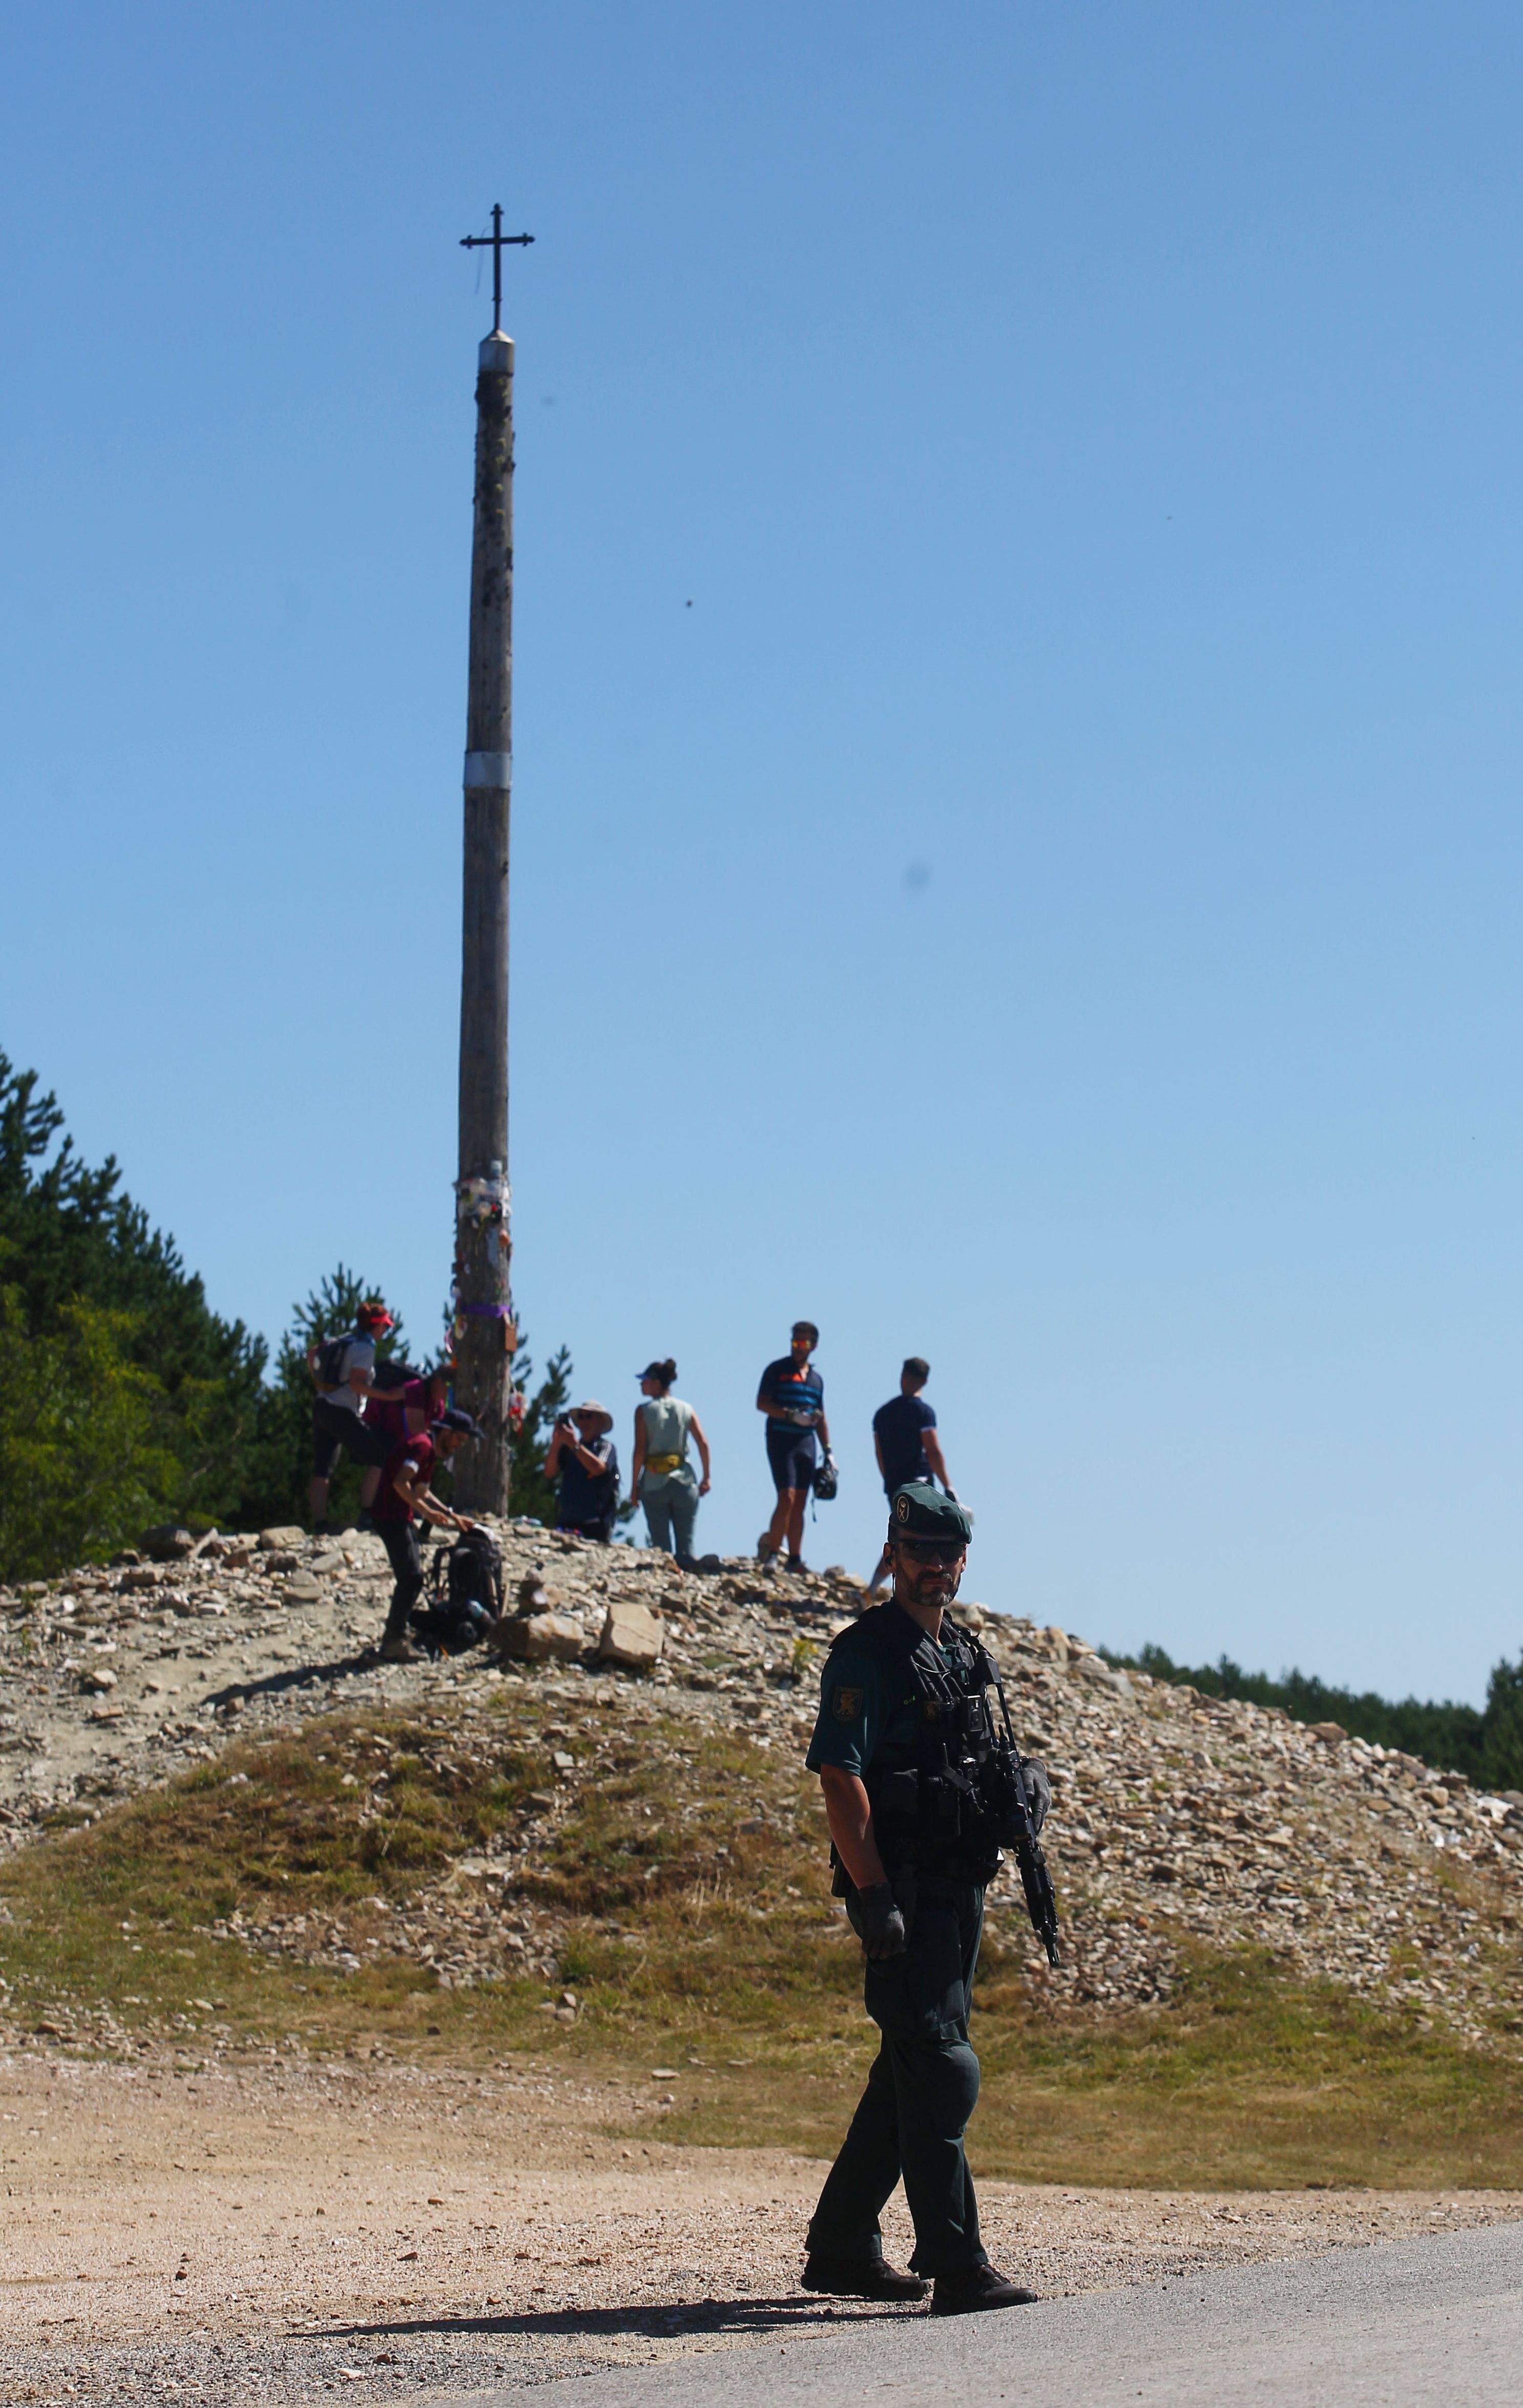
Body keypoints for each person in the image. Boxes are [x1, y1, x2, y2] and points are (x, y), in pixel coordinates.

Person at [801, 1482, 1052, 2315]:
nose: (932, 1569)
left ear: (961, 1561)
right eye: (918, 1553)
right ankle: (955, 2262)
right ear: (893, 1551)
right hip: (902, 1887)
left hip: (954, 1886)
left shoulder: (957, 1653)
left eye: (945, 1556)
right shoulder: (865, 1655)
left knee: (909, 2067)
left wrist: (1022, 1790)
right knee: (940, 2065)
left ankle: (841, 2247)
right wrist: (872, 1897)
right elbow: (840, 1776)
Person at [368, 1406, 482, 1662]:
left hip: (398, 1517)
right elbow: (401, 1483)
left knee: (412, 1578)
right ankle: (394, 1641)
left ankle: (396, 1636)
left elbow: (422, 1491)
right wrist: (427, 1514)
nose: (459, 1446)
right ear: (448, 1432)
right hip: (390, 1516)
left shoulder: (427, 1450)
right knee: (411, 1579)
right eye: (459, 1439)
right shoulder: (422, 1447)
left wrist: (451, 1515)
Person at [307, 1299, 399, 1534]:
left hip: (322, 1405)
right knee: (379, 1457)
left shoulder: (345, 1339)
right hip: (341, 1411)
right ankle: (368, 1514)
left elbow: (312, 1354)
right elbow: (358, 1385)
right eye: (385, 1328)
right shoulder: (365, 1348)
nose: (386, 1332)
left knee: (322, 1468)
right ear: (377, 1326)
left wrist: (321, 1385)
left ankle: (319, 1524)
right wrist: (387, 1396)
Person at [867, 1358, 954, 1594]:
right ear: (925, 1381)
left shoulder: (883, 1414)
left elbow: (879, 1453)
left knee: (904, 1536)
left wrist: (889, 1480)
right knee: (922, 1539)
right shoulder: (922, 1412)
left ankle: (875, 1587)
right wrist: (949, 1487)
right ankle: (911, 1590)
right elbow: (933, 1451)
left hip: (895, 1483)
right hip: (919, 1484)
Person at [756, 1321, 829, 1571]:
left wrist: (828, 1451)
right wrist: (789, 1416)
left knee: (800, 1500)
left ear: (814, 1346)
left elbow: (822, 1417)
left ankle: (795, 1558)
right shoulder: (777, 1370)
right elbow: (762, 1403)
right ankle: (773, 1554)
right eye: (795, 1342)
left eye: (804, 1343)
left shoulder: (817, 1380)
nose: (799, 1348)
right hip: (781, 1439)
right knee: (785, 1497)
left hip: (806, 1442)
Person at [628, 1360, 711, 1566]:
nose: (642, 1385)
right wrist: (706, 1476)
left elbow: (639, 1450)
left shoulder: (643, 1411)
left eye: (645, 1381)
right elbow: (703, 1443)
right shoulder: (686, 1409)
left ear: (656, 1383)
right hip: (684, 1479)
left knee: (661, 1547)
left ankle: (667, 1582)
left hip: (654, 1481)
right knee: (687, 1544)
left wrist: (634, 1485)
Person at [545, 1400, 621, 1541]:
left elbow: (599, 1468)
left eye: (589, 1417)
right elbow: (550, 1472)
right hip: (568, 1519)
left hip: (595, 1522)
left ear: (600, 1422)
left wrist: (574, 1445)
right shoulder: (568, 1449)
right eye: (581, 1417)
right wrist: (556, 1443)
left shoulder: (605, 1447)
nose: (584, 1422)